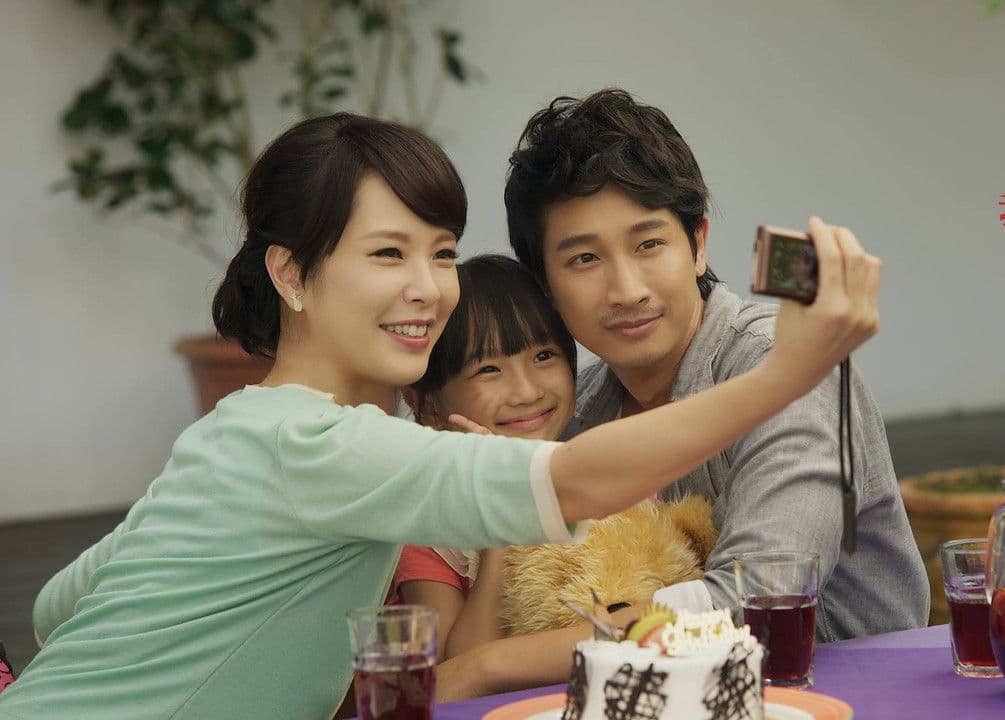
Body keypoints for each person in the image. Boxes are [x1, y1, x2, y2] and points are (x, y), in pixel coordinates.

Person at [0, 112, 881, 720]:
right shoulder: (332, 444)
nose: (427, 288)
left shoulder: (232, 432)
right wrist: (794, 368)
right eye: (388, 254)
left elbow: (56, 606)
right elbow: (578, 482)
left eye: (443, 253)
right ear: (292, 274)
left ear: (698, 240)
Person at [503, 88, 929, 641]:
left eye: (648, 244)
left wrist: (486, 669)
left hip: (841, 681)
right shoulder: (576, 412)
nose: (627, 290)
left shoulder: (785, 368)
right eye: (585, 258)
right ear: (543, 285)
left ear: (698, 244)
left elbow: (763, 600)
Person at [391, 253, 578, 659]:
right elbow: (457, 669)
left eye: (544, 356)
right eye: (489, 369)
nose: (527, 391)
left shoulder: (606, 488)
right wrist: (500, 523)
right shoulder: (429, 529)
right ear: (428, 406)